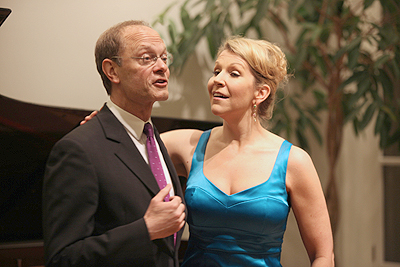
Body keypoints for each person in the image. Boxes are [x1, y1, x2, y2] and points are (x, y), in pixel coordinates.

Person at [83, 36, 335, 266]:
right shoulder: (185, 145)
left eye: (233, 73)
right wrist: (105, 125)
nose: (217, 80)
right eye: (216, 71)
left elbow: (323, 255)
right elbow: (122, 148)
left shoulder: (294, 161)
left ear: (260, 92)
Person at [42, 20, 186, 267]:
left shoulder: (152, 137)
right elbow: (62, 259)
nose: (162, 67)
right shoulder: (78, 149)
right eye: (146, 58)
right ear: (112, 71)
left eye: (164, 57)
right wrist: (146, 230)